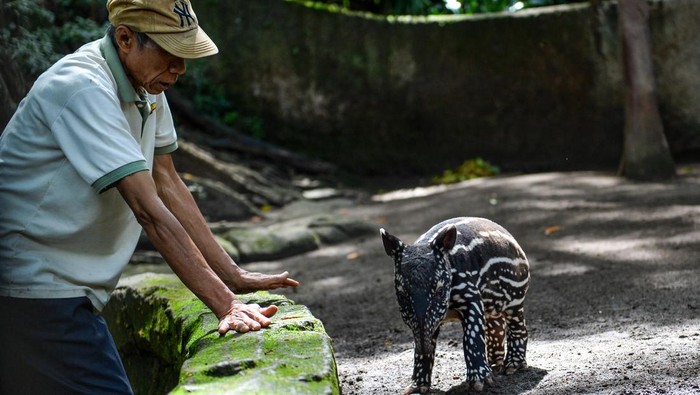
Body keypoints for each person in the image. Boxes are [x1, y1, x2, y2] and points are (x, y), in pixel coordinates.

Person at [0, 0, 299, 393]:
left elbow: (168, 182)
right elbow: (148, 210)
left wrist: (234, 276)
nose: (181, 68)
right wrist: (225, 304)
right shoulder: (82, 86)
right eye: (171, 54)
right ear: (125, 38)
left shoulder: (148, 84)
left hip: (65, 285)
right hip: (32, 284)